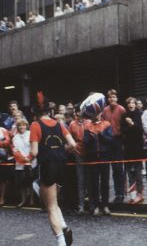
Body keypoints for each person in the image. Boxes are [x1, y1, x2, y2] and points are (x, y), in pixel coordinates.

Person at [30, 91, 76, 246]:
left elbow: (34, 152)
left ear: (36, 112)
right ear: (49, 110)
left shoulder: (35, 125)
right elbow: (73, 144)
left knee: (50, 207)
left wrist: (28, 158)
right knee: (53, 201)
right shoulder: (59, 124)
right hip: (62, 165)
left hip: (47, 166)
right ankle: (63, 226)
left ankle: (61, 242)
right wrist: (61, 150)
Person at [81, 93, 114, 216]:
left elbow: (111, 140)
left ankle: (105, 205)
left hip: (105, 155)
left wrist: (101, 135)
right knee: (94, 182)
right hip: (92, 156)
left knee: (105, 182)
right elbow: (84, 142)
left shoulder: (106, 124)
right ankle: (95, 206)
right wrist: (90, 137)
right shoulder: (87, 125)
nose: (96, 115)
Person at [101, 89, 126, 204]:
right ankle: (116, 193)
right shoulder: (104, 110)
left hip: (118, 140)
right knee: (112, 168)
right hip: (108, 141)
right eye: (110, 97)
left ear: (117, 98)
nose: (112, 99)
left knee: (118, 168)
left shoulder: (121, 109)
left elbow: (124, 126)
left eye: (114, 97)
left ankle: (121, 193)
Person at [121, 97, 145, 204]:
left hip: (138, 148)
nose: (131, 104)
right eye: (129, 103)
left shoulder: (139, 114)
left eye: (133, 103)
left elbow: (140, 130)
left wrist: (132, 124)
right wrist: (130, 127)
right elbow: (123, 130)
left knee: (138, 172)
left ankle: (140, 194)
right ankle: (133, 195)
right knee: (130, 173)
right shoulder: (124, 116)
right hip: (128, 149)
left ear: (135, 104)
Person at [11, 119, 35, 207]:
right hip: (20, 163)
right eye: (20, 125)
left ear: (26, 126)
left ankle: (32, 200)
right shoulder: (15, 137)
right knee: (21, 183)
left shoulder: (30, 134)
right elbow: (15, 150)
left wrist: (29, 158)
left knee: (30, 182)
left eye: (23, 125)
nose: (22, 127)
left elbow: (34, 147)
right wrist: (23, 158)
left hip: (31, 162)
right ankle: (23, 200)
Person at [68, 110, 88, 213]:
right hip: (78, 154)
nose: (78, 114)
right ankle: (81, 206)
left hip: (89, 154)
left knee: (90, 180)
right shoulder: (72, 124)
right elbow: (69, 138)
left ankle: (93, 205)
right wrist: (74, 149)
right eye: (77, 112)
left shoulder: (88, 122)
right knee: (80, 180)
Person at [0, 125, 11, 206]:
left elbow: (7, 142)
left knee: (2, 179)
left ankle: (2, 198)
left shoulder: (3, 130)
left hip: (2, 158)